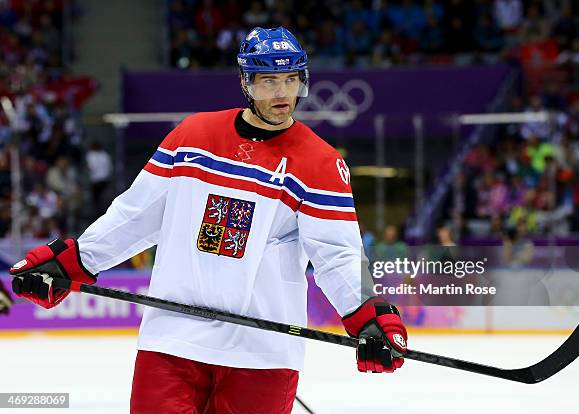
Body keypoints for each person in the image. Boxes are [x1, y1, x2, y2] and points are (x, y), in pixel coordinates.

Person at [9, 27, 407, 414]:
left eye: (291, 79)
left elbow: (337, 255)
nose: (283, 93)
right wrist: (73, 259)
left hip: (263, 351)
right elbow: (136, 215)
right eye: (269, 81)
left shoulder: (320, 162)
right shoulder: (193, 135)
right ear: (246, 82)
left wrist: (368, 314)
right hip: (173, 337)